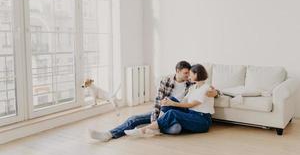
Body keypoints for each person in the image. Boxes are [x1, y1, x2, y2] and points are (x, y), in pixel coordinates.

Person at [89, 61, 218, 142]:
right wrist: (155, 118)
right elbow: (158, 102)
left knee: (176, 128)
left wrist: (215, 92)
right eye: (185, 73)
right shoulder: (166, 81)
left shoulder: (193, 83)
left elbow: (207, 90)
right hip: (164, 111)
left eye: (188, 74)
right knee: (135, 118)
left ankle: (153, 128)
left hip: (181, 111)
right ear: (177, 71)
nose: (187, 76)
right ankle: (109, 134)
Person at [125, 64, 214, 137]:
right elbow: (185, 101)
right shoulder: (193, 87)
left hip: (202, 120)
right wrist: (168, 102)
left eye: (190, 74)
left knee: (172, 112)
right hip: (191, 114)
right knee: (169, 100)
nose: (188, 76)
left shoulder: (206, 88)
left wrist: (174, 104)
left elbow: (190, 105)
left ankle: (143, 130)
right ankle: (157, 127)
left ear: (196, 74)